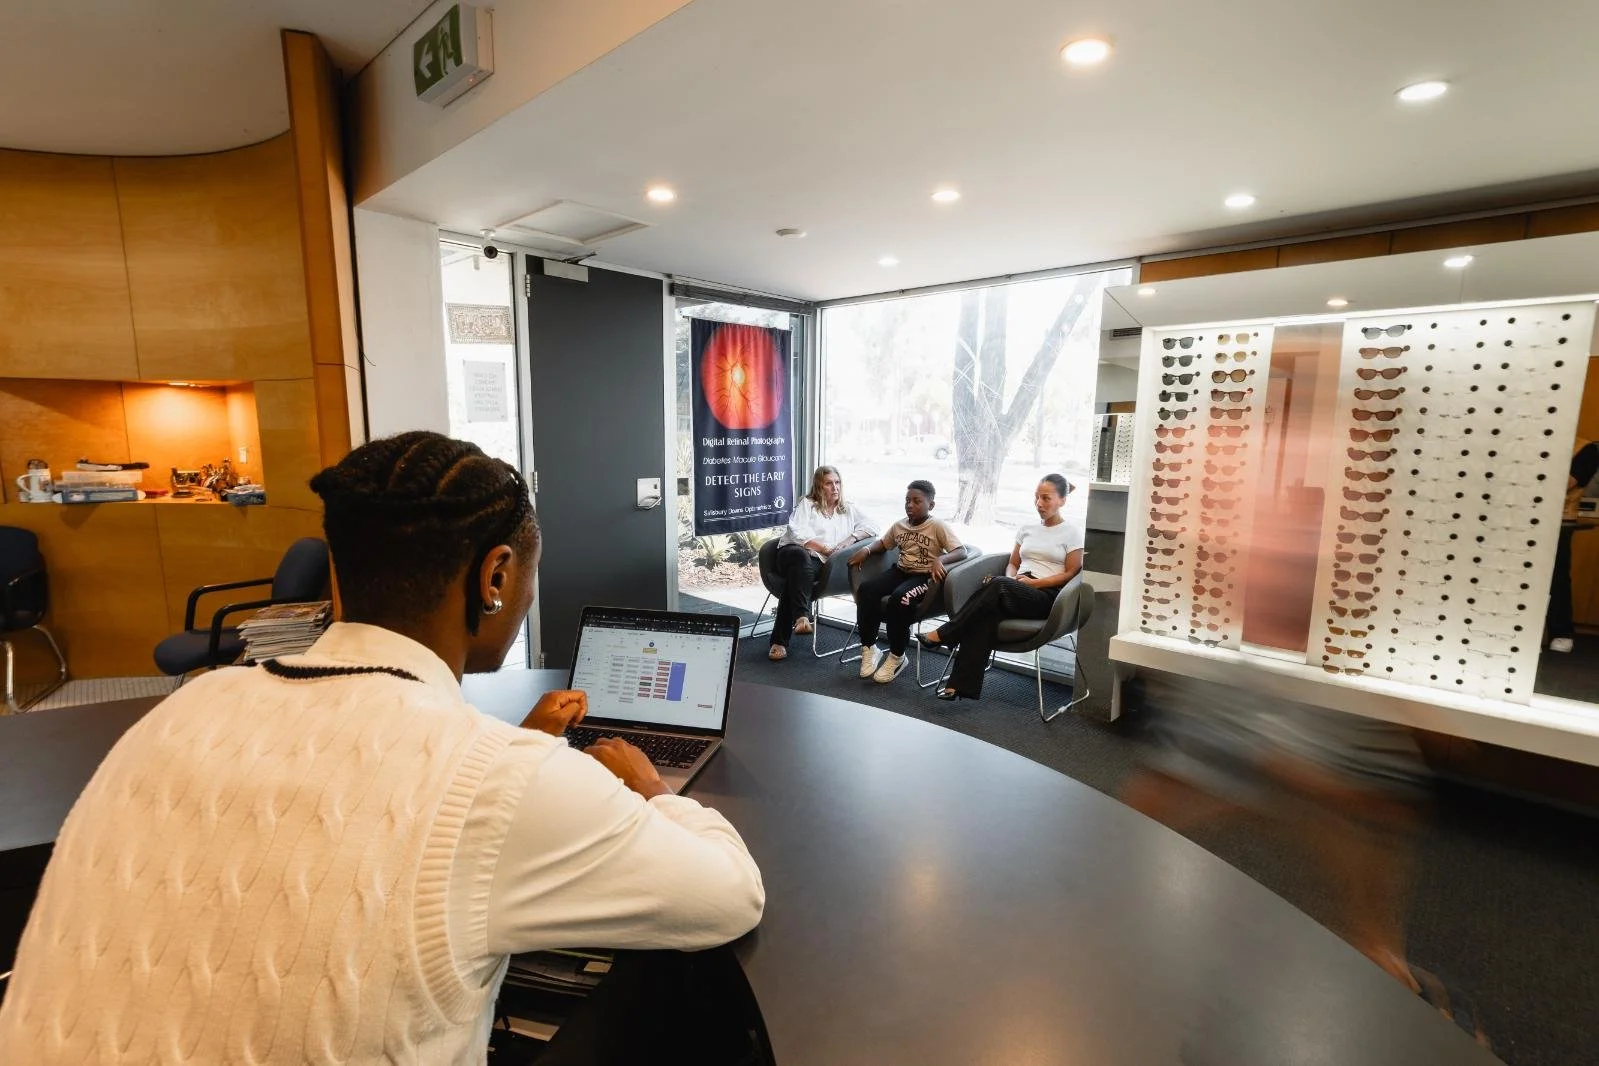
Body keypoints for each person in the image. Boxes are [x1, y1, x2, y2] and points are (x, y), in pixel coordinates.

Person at [0, 432, 765, 1064]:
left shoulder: (186, 708)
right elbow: (729, 894)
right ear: (496, 576)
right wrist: (650, 790)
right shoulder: (500, 777)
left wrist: (516, 752)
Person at [921, 474, 1083, 700]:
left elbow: (1071, 573)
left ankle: (946, 633)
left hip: (1046, 596)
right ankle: (958, 686)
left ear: (1062, 500)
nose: (1039, 503)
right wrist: (1012, 579)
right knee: (986, 615)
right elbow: (1013, 563)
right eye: (1036, 497)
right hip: (1016, 587)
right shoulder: (1027, 529)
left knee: (997, 585)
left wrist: (1034, 583)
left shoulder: (1071, 533)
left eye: (1046, 498)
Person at [848, 479, 968, 684]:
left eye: (917, 501)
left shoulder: (937, 526)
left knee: (900, 599)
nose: (910, 505)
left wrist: (940, 560)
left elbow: (961, 551)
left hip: (924, 577)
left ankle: (897, 655)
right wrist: (866, 550)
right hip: (901, 571)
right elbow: (884, 544)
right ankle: (869, 647)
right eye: (907, 500)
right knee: (867, 590)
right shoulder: (900, 525)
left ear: (930, 505)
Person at [767, 465, 876, 661]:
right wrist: (824, 548)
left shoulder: (847, 509)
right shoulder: (808, 505)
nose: (835, 487)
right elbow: (796, 532)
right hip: (791, 553)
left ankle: (782, 638)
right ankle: (802, 615)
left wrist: (850, 539)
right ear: (819, 486)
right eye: (829, 483)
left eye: (837, 482)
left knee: (795, 580)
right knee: (801, 559)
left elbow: (872, 526)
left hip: (819, 564)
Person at [1546, 436, 1598, 653]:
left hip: (1558, 520)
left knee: (1556, 576)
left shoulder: (1585, 449)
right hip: (1519, 518)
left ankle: (1561, 632)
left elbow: (1565, 483)